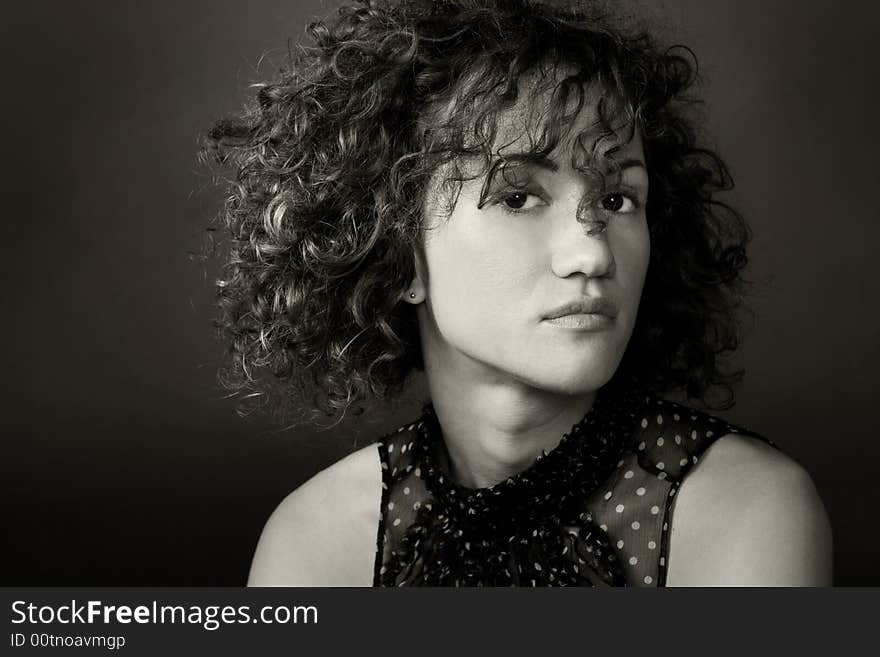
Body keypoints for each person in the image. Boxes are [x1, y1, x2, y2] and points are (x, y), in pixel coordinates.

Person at [204, 0, 832, 586]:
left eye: (617, 199)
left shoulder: (745, 512)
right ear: (399, 255)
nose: (593, 252)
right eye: (516, 197)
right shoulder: (313, 544)